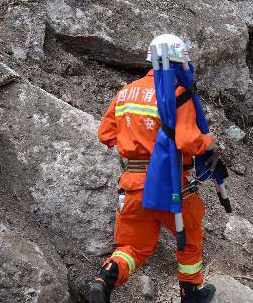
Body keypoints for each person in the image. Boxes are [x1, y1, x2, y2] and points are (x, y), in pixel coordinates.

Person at [90, 34, 218, 303]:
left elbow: (105, 135)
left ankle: (106, 278)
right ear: (179, 63)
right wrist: (208, 142)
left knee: (132, 247)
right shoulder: (176, 94)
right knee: (191, 233)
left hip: (133, 184)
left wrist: (134, 139)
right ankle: (190, 292)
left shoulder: (126, 92)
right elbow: (187, 141)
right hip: (170, 182)